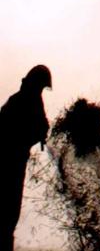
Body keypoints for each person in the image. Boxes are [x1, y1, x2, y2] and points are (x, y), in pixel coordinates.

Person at [0, 65, 51, 251]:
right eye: (41, 86)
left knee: (10, 216)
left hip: (16, 162)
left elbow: (41, 124)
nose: (41, 90)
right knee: (6, 215)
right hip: (7, 163)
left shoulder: (32, 100)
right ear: (35, 83)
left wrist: (41, 130)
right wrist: (37, 132)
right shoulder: (20, 101)